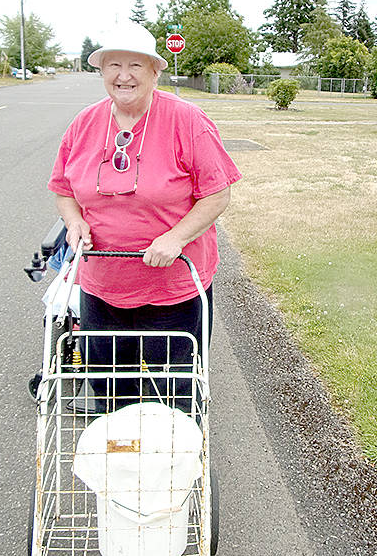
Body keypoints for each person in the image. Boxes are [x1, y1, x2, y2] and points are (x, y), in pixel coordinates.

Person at [48, 23, 241, 413]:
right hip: (101, 285)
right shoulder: (84, 123)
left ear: (155, 71)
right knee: (110, 390)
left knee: (171, 394)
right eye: (113, 65)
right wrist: (75, 223)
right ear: (101, 72)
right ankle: (121, 465)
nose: (123, 75)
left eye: (135, 65)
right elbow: (63, 187)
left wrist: (176, 237)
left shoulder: (188, 120)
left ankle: (174, 467)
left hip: (173, 289)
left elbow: (217, 192)